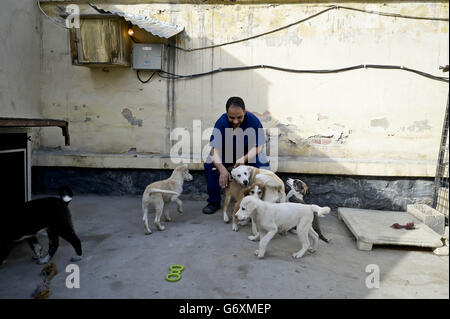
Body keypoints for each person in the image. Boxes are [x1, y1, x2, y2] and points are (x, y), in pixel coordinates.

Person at [202, 96, 270, 214]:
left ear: (244, 112)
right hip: (227, 153)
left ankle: (263, 201)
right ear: (226, 113)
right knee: (209, 163)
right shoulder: (221, 122)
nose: (235, 121)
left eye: (239, 117)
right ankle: (214, 201)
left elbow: (259, 146)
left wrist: (244, 158)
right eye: (231, 117)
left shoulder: (253, 121)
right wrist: (222, 170)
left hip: (248, 154)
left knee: (263, 164)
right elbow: (214, 151)